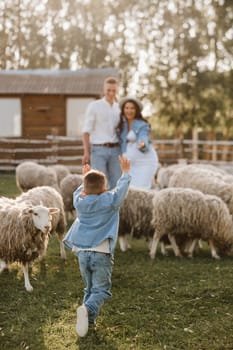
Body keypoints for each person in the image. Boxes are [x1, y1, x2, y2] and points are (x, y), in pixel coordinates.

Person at [63, 156, 131, 337]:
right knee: (101, 290)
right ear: (105, 188)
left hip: (82, 254)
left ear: (84, 190)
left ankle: (88, 321)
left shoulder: (79, 202)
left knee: (89, 289)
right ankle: (87, 308)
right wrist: (125, 173)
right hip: (101, 253)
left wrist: (84, 178)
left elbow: (78, 192)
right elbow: (121, 191)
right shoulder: (109, 201)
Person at [82, 76, 122, 190]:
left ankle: (114, 208)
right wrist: (86, 152)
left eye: (114, 90)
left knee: (116, 182)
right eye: (108, 90)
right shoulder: (94, 106)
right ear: (104, 90)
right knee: (98, 183)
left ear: (117, 90)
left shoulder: (119, 108)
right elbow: (86, 131)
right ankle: (100, 208)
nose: (111, 93)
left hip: (116, 150)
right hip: (98, 150)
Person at [117, 96, 159, 190]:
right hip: (131, 164)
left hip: (145, 162)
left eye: (132, 108)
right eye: (127, 108)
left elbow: (143, 136)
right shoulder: (121, 126)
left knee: (143, 189)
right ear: (123, 110)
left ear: (136, 110)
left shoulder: (142, 124)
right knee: (131, 188)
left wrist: (143, 143)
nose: (129, 110)